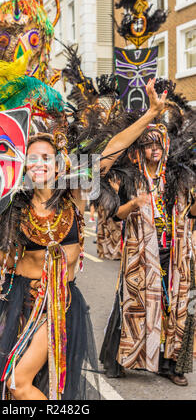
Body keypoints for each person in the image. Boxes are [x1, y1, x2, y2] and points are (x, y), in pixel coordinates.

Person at [0, 81, 167, 400]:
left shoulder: (74, 193)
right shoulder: (14, 203)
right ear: (23, 166)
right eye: (31, 159)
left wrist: (151, 114)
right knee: (11, 389)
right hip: (15, 301)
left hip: (59, 306)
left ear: (59, 162)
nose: (39, 164)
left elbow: (111, 151)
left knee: (19, 383)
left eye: (46, 157)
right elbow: (8, 259)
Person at [99, 118, 196, 386]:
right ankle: (119, 360)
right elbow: (116, 214)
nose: (155, 149)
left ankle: (170, 365)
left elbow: (192, 214)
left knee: (175, 308)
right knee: (133, 304)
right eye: (148, 144)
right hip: (141, 253)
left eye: (159, 144)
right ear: (140, 149)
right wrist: (133, 203)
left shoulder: (178, 177)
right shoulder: (130, 178)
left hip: (174, 253)